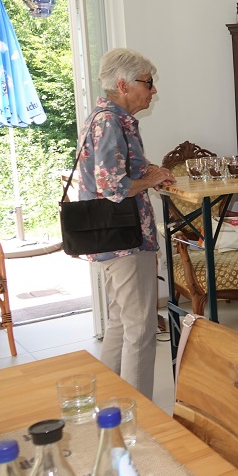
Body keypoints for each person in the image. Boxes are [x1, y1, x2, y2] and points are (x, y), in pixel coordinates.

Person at [78, 48, 175, 399]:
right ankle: (138, 415)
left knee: (121, 321)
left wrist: (151, 171)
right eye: (147, 83)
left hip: (119, 237)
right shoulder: (109, 122)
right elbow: (112, 186)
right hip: (124, 239)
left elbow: (123, 166)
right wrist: (150, 180)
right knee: (140, 328)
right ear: (123, 84)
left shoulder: (114, 119)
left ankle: (110, 403)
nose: (153, 91)